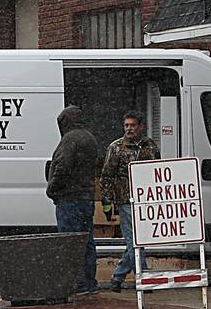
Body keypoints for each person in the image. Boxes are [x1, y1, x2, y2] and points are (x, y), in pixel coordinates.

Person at [101, 110, 160, 291]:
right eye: (126, 125)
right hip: (125, 199)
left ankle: (118, 277)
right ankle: (143, 277)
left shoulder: (150, 146)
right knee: (135, 239)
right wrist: (107, 201)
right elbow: (106, 176)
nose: (129, 129)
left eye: (133, 125)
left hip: (146, 200)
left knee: (137, 240)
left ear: (141, 126)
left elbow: (158, 170)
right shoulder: (116, 148)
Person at [46, 106, 102, 294]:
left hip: (69, 199)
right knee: (87, 242)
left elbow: (62, 167)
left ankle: (76, 284)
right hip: (86, 199)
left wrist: (52, 188)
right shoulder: (90, 138)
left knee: (69, 243)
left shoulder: (70, 139)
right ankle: (89, 283)